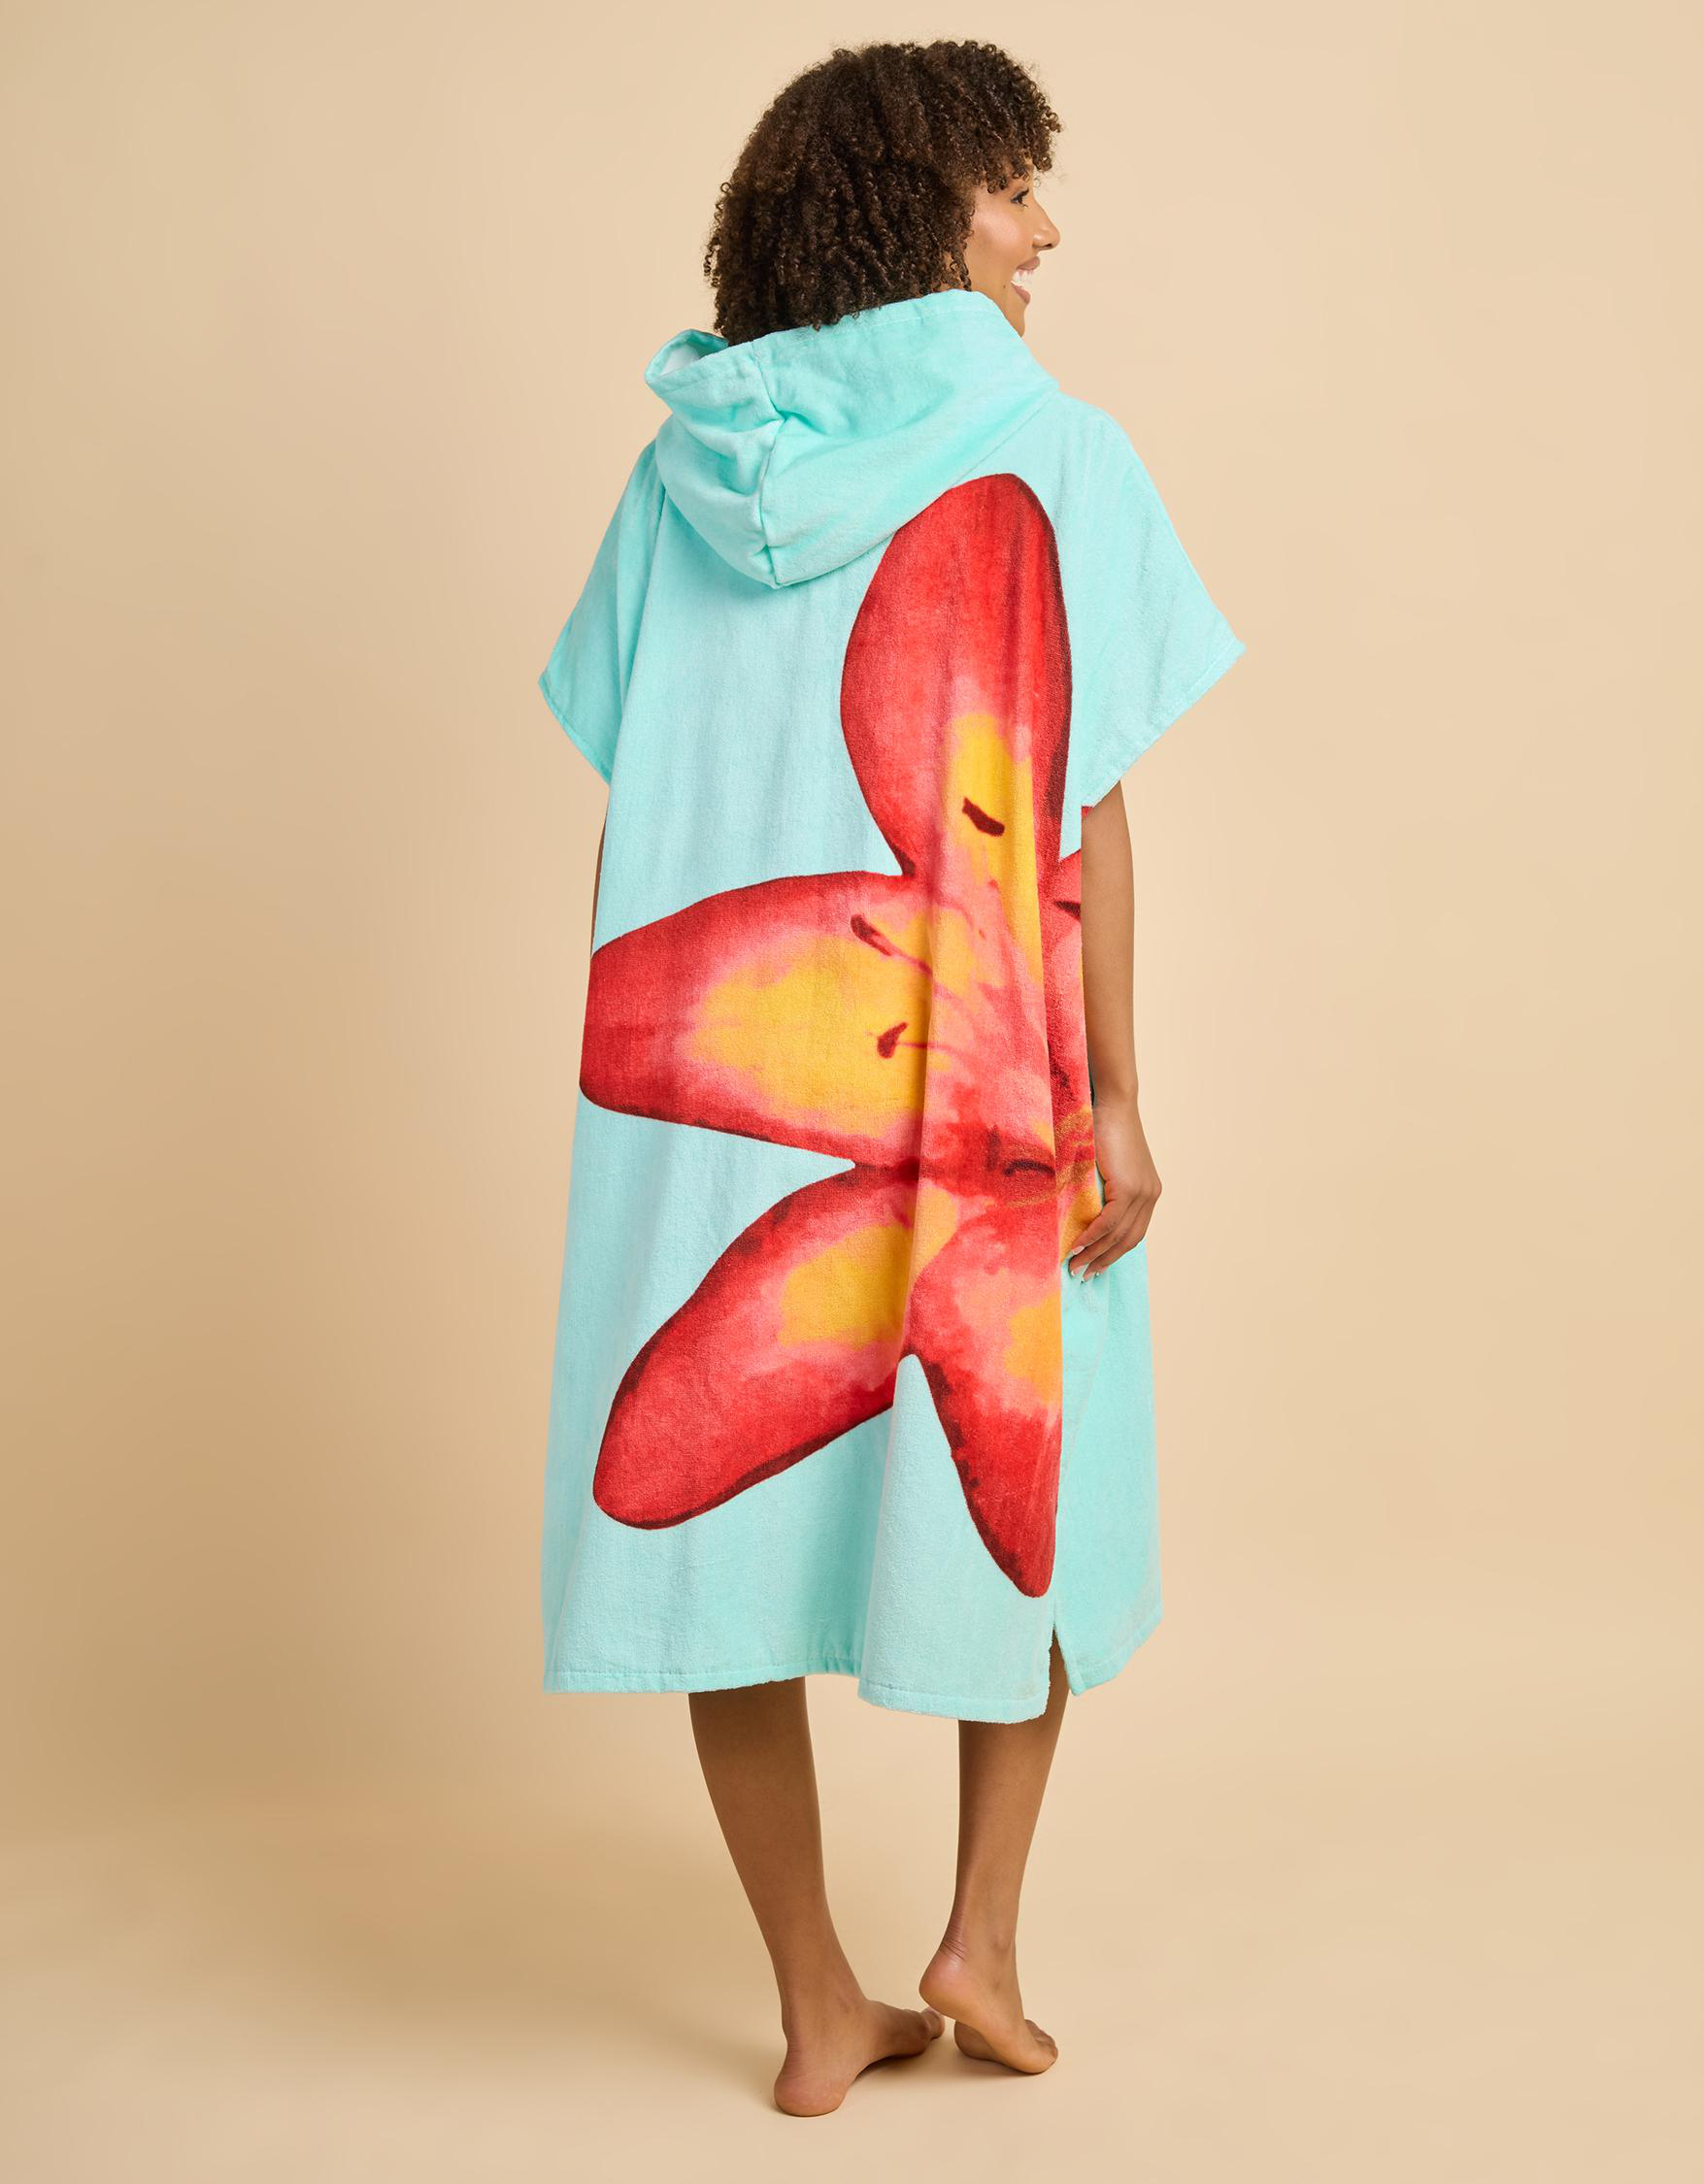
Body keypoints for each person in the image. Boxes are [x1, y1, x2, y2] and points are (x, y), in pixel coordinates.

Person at [535, 39, 1245, 2116]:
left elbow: (629, 780)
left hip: (727, 1101)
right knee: (1037, 1491)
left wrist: (663, 1092)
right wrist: (1120, 1096)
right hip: (993, 1101)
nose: (1045, 231)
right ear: (926, 209)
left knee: (715, 1537)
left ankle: (815, 2002)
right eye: (1013, 190)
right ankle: (979, 1944)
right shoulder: (1055, 452)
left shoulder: (679, 477)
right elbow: (1087, 807)